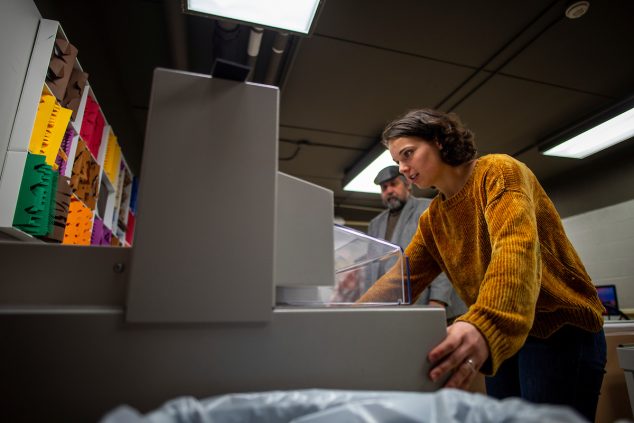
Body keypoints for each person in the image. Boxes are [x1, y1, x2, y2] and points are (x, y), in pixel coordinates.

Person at [358, 108, 606, 422]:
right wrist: (351, 318)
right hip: (506, 337)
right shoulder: (434, 218)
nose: (404, 168)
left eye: (408, 154)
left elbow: (514, 251)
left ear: (439, 141)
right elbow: (399, 281)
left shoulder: (498, 172)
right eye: (397, 162)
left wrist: (482, 323)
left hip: (558, 329)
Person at [368, 165, 466, 320]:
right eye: (384, 187)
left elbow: (445, 256)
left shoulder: (428, 208)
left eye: (394, 184)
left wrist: (437, 300)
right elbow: (372, 264)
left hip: (429, 303)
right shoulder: (375, 223)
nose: (389, 191)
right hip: (390, 306)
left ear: (407, 185)